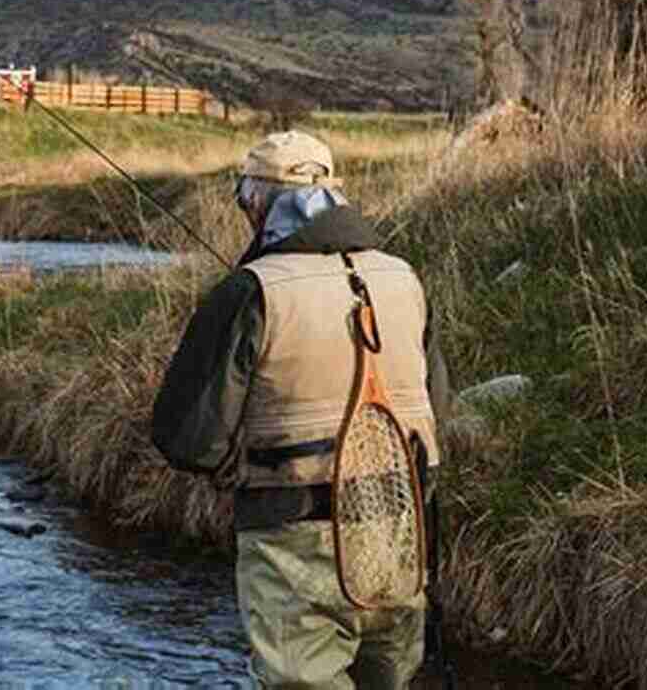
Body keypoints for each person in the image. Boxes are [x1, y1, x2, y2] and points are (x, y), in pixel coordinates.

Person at [151, 131, 451, 690]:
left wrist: (233, 468)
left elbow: (188, 437)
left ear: (259, 203)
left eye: (245, 201)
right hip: (399, 531)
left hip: (293, 533)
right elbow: (438, 409)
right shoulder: (404, 277)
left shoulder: (250, 291)